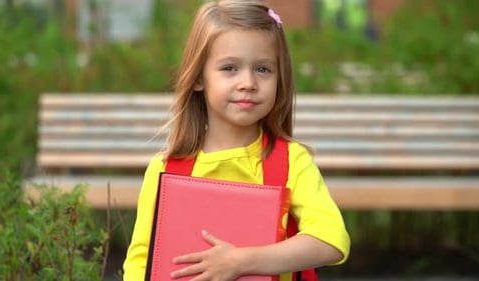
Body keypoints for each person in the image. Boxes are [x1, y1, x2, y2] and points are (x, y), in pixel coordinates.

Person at [123, 1, 350, 280]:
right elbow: (140, 263)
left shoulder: (292, 162)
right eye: (230, 68)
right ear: (198, 78)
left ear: (281, 79)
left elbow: (331, 239)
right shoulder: (165, 169)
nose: (248, 83)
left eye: (263, 69)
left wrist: (242, 261)